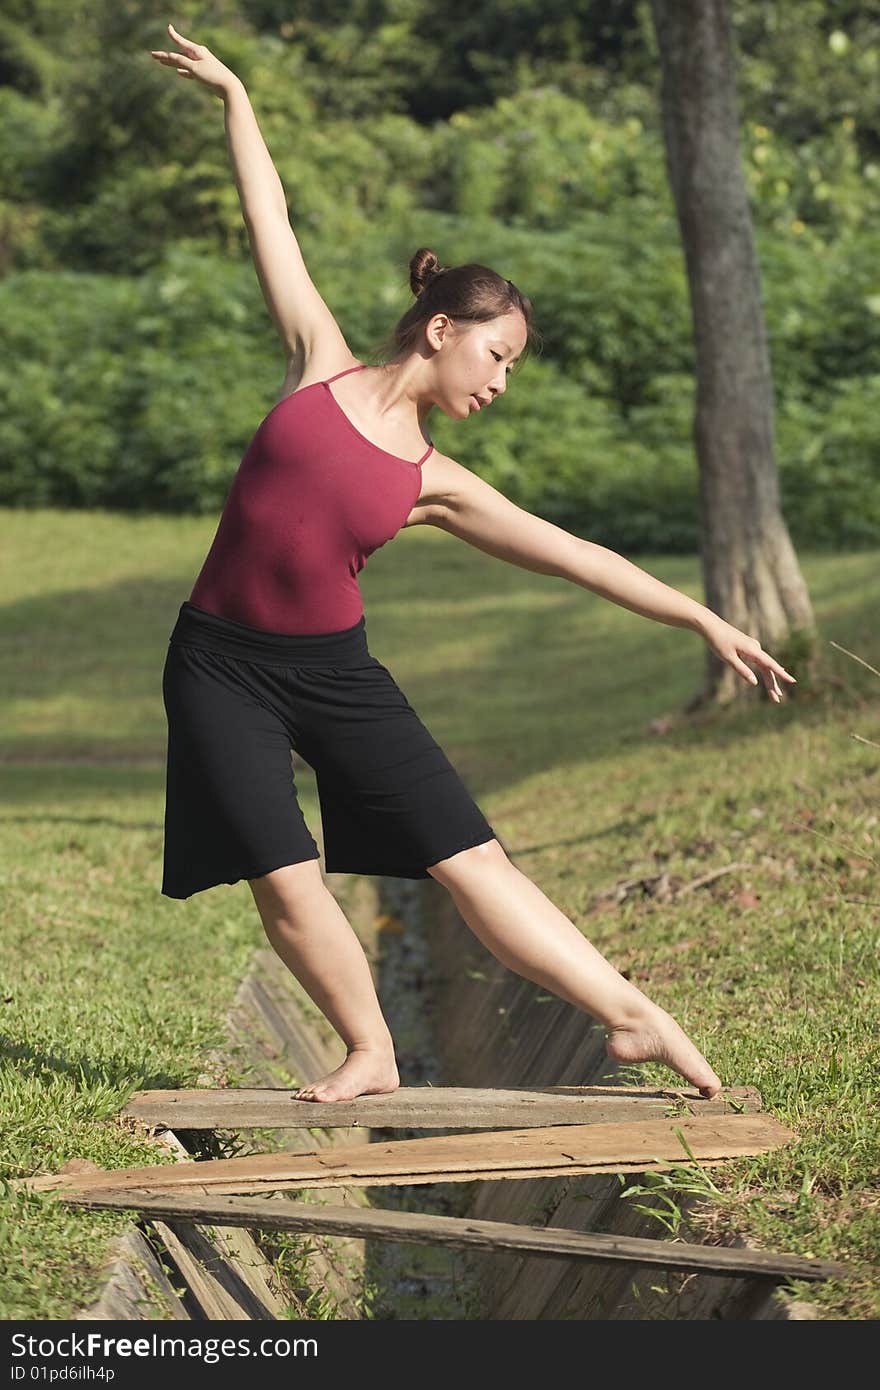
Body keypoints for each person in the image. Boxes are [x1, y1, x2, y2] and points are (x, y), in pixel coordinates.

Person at [150, 24, 796, 1105]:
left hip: (336, 674)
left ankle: (631, 1014)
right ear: (442, 327)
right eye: (496, 356)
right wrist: (236, 96)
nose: (500, 380)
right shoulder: (318, 361)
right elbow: (271, 216)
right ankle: (370, 1049)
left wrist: (703, 619)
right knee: (280, 870)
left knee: (472, 856)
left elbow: (577, 555)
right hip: (217, 665)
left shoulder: (434, 481)